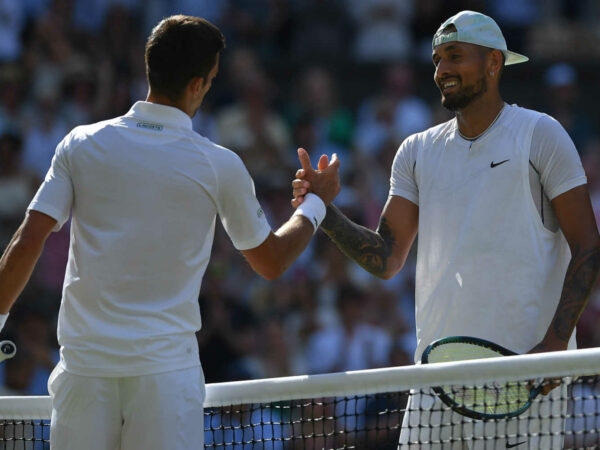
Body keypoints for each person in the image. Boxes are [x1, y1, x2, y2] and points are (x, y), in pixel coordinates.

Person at [0, 15, 340, 450]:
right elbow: (271, 262)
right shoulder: (219, 164)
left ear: (150, 69)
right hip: (165, 380)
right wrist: (316, 203)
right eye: (213, 80)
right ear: (198, 83)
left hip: (85, 371)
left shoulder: (80, 143)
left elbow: (29, 238)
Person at [292, 10, 600, 449]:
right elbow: (386, 257)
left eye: (455, 56)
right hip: (435, 382)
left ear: (494, 62)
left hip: (524, 380)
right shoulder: (415, 152)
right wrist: (325, 210)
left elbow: (588, 246)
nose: (442, 70)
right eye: (437, 59)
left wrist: (553, 346)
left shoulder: (541, 134)